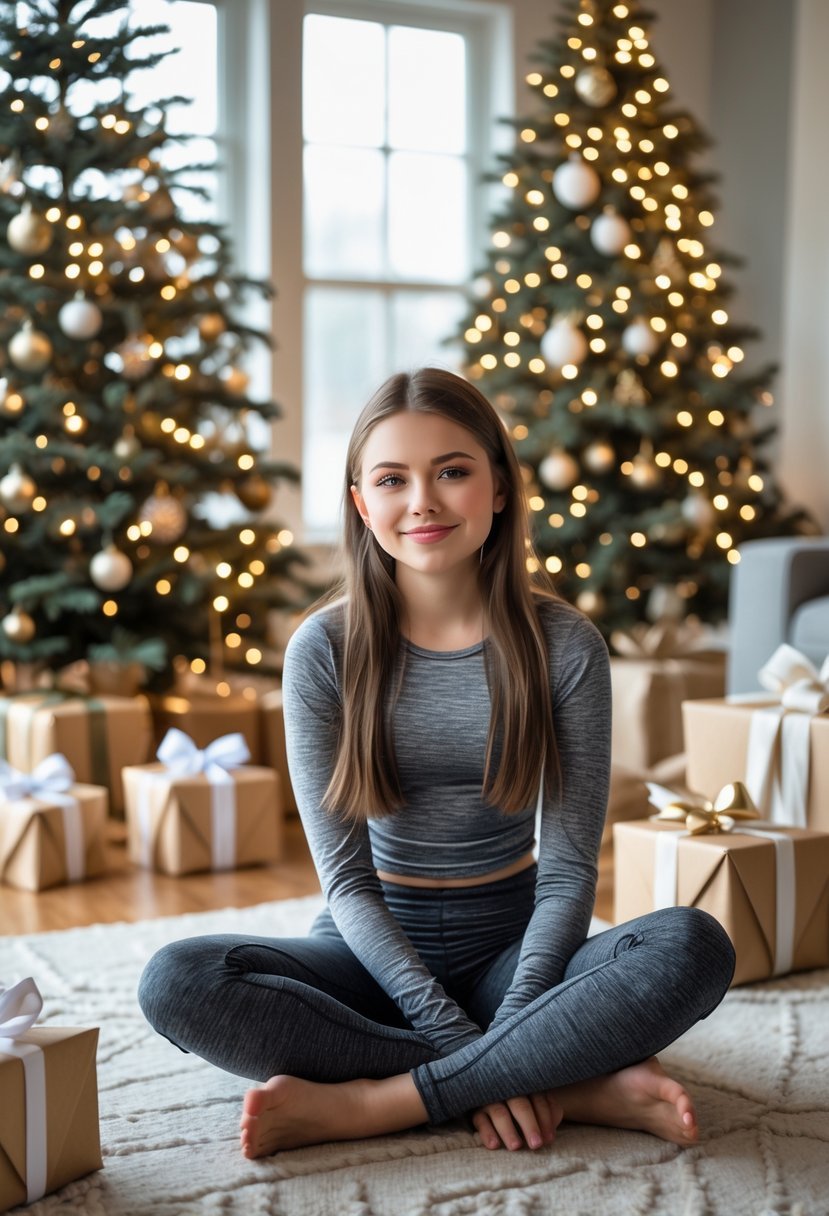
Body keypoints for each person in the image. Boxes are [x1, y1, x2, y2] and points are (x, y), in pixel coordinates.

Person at [138, 367, 735, 1160]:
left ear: (497, 489)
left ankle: (371, 1105)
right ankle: (571, 1084)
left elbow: (565, 877)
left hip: (518, 952)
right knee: (176, 981)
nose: (422, 500)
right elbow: (345, 884)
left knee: (693, 945)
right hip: (367, 955)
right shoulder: (322, 650)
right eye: (392, 479)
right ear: (361, 504)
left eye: (452, 471)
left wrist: (519, 1010)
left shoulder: (566, 648)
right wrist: (475, 1041)